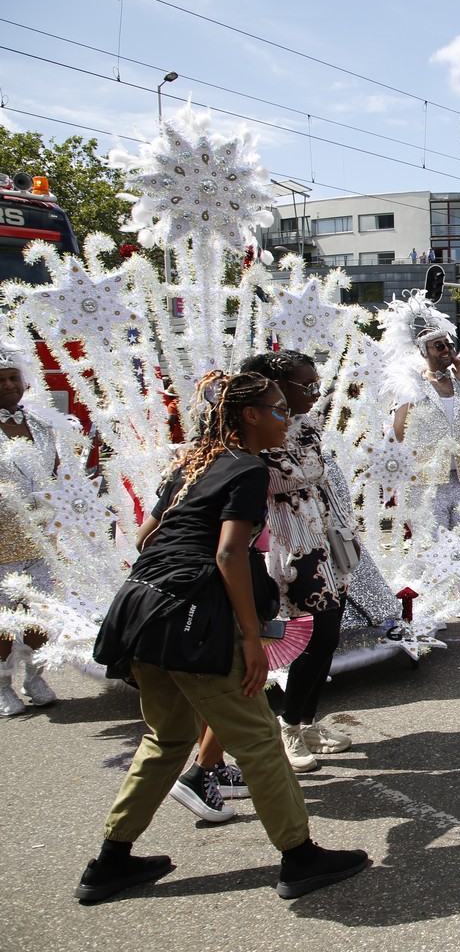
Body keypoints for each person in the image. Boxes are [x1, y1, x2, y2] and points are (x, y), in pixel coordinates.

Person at [81, 372, 368, 903]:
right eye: (279, 409)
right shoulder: (248, 468)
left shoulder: (194, 463)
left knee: (167, 738)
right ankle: (300, 857)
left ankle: (110, 861)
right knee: (259, 739)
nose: (287, 417)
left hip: (140, 607)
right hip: (191, 619)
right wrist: (252, 639)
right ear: (249, 415)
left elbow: (146, 537)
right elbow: (229, 553)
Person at [240, 351, 355, 774]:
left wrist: (344, 530)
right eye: (307, 386)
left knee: (328, 635)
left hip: (323, 539)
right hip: (286, 544)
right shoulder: (253, 430)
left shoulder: (304, 425)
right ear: (276, 387)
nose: (315, 393)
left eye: (317, 385)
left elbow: (317, 474)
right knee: (311, 634)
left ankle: (306, 721)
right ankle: (287, 725)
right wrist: (310, 468)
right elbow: (286, 476)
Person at [392, 328, 460, 539]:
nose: (446, 350)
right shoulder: (414, 385)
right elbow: (399, 432)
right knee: (434, 548)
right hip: (426, 483)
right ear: (423, 352)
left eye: (449, 345)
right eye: (439, 346)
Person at [0, 343, 58, 714]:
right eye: (0, 380)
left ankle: (35, 677)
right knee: (3, 619)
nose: (8, 385)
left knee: (41, 611)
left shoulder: (41, 423)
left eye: (13, 377)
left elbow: (54, 471)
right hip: (1, 538)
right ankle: (2, 686)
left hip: (40, 536)